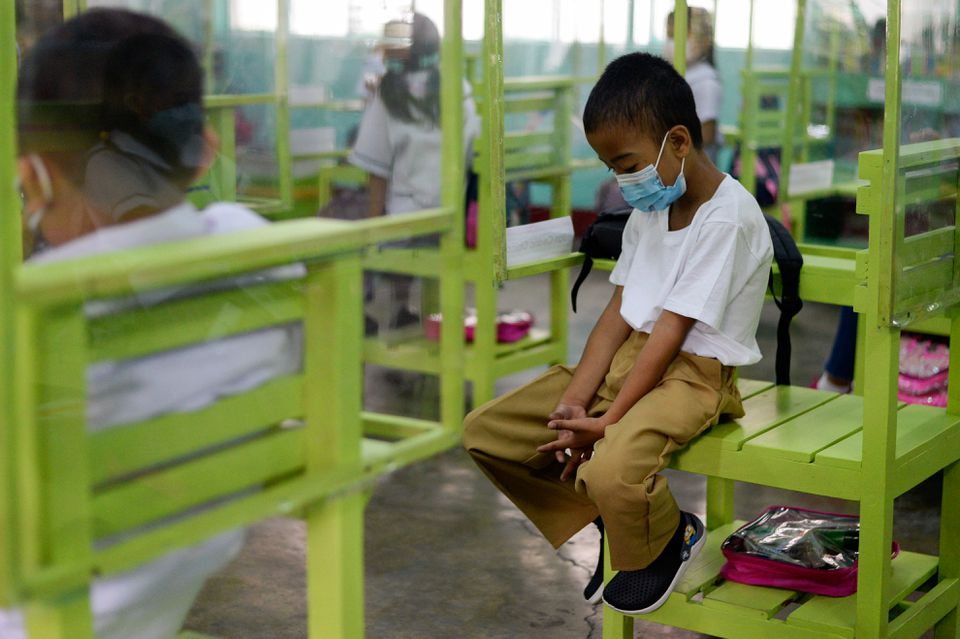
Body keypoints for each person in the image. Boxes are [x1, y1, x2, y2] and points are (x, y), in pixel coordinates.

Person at [4, 9, 300, 638]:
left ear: (31, 177)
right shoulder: (262, 258)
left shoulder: (33, 321)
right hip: (167, 585)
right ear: (203, 154)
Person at [463, 52, 773, 615]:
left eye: (626, 164)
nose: (619, 180)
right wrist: (575, 404)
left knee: (610, 464)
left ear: (678, 141)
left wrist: (606, 423)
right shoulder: (652, 209)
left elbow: (672, 333)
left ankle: (666, 538)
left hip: (694, 376)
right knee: (487, 431)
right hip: (635, 362)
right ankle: (615, 514)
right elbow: (619, 315)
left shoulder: (728, 217)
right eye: (610, 166)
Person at [349, 12, 479, 332]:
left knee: (339, 216)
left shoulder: (389, 94)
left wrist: (374, 226)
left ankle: (368, 307)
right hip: (452, 215)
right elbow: (473, 148)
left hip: (406, 223)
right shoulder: (458, 87)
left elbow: (375, 169)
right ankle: (405, 309)